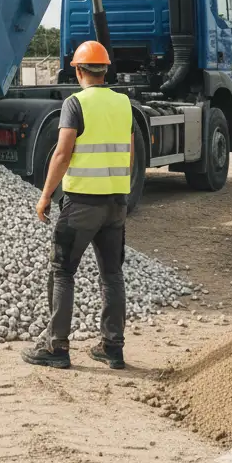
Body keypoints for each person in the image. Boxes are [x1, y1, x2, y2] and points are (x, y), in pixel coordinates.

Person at [22, 40, 134, 371]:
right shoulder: (124, 103)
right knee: (112, 274)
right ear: (105, 70)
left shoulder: (75, 104)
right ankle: (112, 347)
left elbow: (62, 153)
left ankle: (56, 346)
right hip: (116, 203)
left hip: (82, 204)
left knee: (62, 271)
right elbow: (128, 153)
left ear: (79, 71)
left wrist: (45, 195)